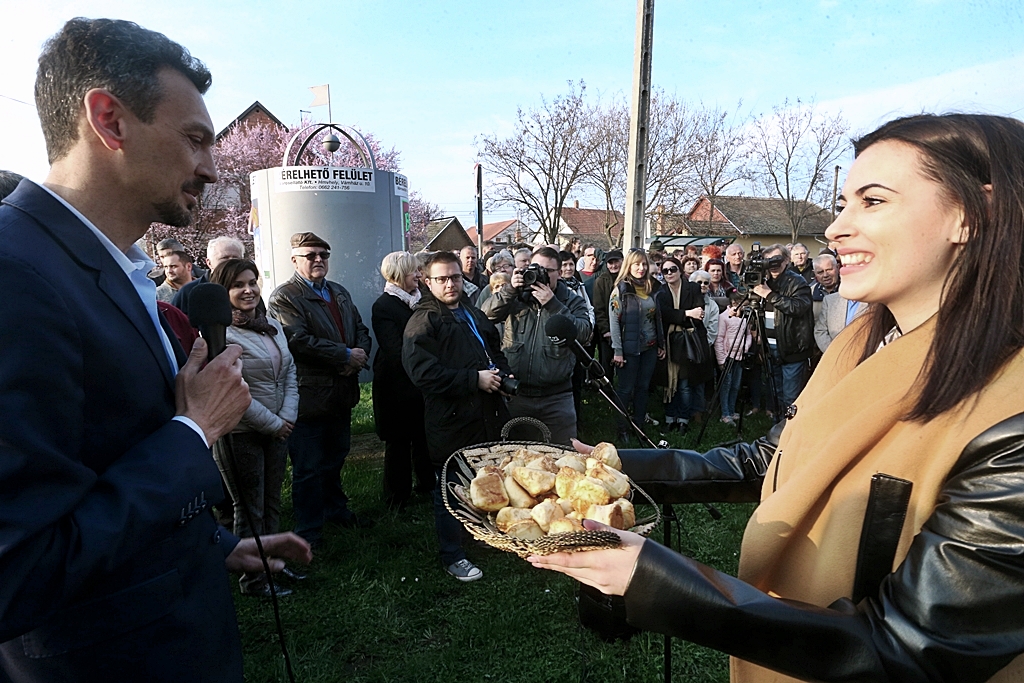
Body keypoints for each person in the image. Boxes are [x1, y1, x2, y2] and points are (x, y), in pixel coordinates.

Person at [530, 113, 1024, 682]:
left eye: (873, 201)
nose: (836, 228)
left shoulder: (1008, 411)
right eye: (844, 203)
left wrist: (657, 582)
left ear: (972, 214)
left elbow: (909, 652)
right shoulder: (860, 343)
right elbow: (778, 457)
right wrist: (605, 466)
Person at [0, 18, 309, 682]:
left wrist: (210, 543)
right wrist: (195, 430)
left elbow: (101, 463)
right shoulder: (14, 273)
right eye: (195, 138)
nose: (212, 164)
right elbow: (17, 570)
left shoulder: (117, 268)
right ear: (109, 120)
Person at [403, 251, 512, 582]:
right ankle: (453, 555)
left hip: (484, 414)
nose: (451, 284)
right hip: (450, 419)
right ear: (427, 281)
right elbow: (422, 373)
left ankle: (480, 534)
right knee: (449, 486)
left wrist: (502, 375)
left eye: (456, 277)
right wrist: (473, 380)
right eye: (442, 279)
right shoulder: (424, 320)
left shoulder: (471, 312)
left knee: (484, 478)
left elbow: (493, 350)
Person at [268, 231, 373, 546]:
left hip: (341, 391)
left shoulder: (338, 292)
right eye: (310, 255)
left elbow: (361, 329)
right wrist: (344, 355)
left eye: (323, 255)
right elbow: (297, 340)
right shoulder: (284, 296)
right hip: (310, 394)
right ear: (295, 260)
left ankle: (335, 510)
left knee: (336, 455)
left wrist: (358, 355)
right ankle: (308, 530)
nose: (318, 260)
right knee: (308, 465)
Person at [209, 258, 301, 597]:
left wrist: (287, 417)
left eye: (252, 282)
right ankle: (254, 579)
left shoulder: (270, 325)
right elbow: (232, 389)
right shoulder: (220, 334)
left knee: (273, 501)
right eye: (238, 285)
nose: (248, 290)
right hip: (241, 432)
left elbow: (290, 372)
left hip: (279, 427)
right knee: (250, 507)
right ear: (223, 291)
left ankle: (272, 564)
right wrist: (275, 423)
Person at [482, 246, 592, 445]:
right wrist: (509, 290)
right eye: (536, 268)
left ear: (559, 273)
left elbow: (584, 333)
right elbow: (485, 316)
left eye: (548, 271)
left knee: (563, 456)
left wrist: (554, 306)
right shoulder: (516, 297)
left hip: (557, 397)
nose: (540, 274)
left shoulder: (570, 300)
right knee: (515, 458)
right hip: (517, 395)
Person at [371, 251, 434, 511]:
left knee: (423, 436)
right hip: (395, 385)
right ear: (398, 275)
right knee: (398, 442)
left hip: (421, 382)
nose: (419, 275)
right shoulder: (384, 306)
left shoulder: (423, 301)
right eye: (414, 272)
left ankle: (428, 485)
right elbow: (394, 349)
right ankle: (397, 497)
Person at [609, 249, 665, 442]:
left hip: (649, 347)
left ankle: (639, 425)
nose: (641, 268)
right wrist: (617, 351)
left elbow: (657, 317)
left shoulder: (653, 287)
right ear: (629, 266)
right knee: (625, 389)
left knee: (643, 387)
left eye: (644, 264)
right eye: (636, 264)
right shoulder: (621, 290)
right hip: (628, 348)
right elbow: (614, 322)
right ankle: (621, 427)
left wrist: (660, 343)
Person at [752, 245, 813, 409]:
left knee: (790, 399)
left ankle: (792, 434)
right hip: (770, 350)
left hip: (791, 349)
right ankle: (777, 432)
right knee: (776, 396)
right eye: (768, 260)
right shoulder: (763, 282)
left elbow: (798, 307)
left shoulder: (797, 282)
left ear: (786, 260)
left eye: (776, 259)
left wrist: (770, 295)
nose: (773, 264)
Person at [656, 257, 709, 433]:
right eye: (665, 271)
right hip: (669, 341)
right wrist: (687, 313)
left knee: (685, 383)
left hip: (689, 341)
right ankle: (670, 418)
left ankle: (683, 420)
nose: (669, 273)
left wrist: (680, 315)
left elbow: (699, 312)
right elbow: (664, 314)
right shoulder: (660, 292)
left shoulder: (693, 288)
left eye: (673, 269)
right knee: (670, 382)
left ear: (680, 270)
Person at [171, 236, 245, 315]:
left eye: (235, 258)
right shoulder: (190, 292)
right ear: (209, 263)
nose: (231, 262)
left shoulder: (249, 290)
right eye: (224, 258)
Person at [715, 290, 753, 424]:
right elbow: (719, 339)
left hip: (740, 356)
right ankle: (725, 413)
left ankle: (731, 410)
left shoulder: (745, 318)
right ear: (734, 303)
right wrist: (721, 359)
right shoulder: (724, 317)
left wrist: (746, 347)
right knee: (726, 384)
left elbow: (748, 334)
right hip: (728, 356)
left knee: (736, 385)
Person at [589, 248, 623, 379]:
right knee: (607, 362)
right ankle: (606, 390)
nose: (613, 265)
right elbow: (598, 308)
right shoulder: (601, 281)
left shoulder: (628, 278)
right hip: (607, 330)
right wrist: (605, 330)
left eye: (616, 262)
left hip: (625, 327)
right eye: (610, 262)